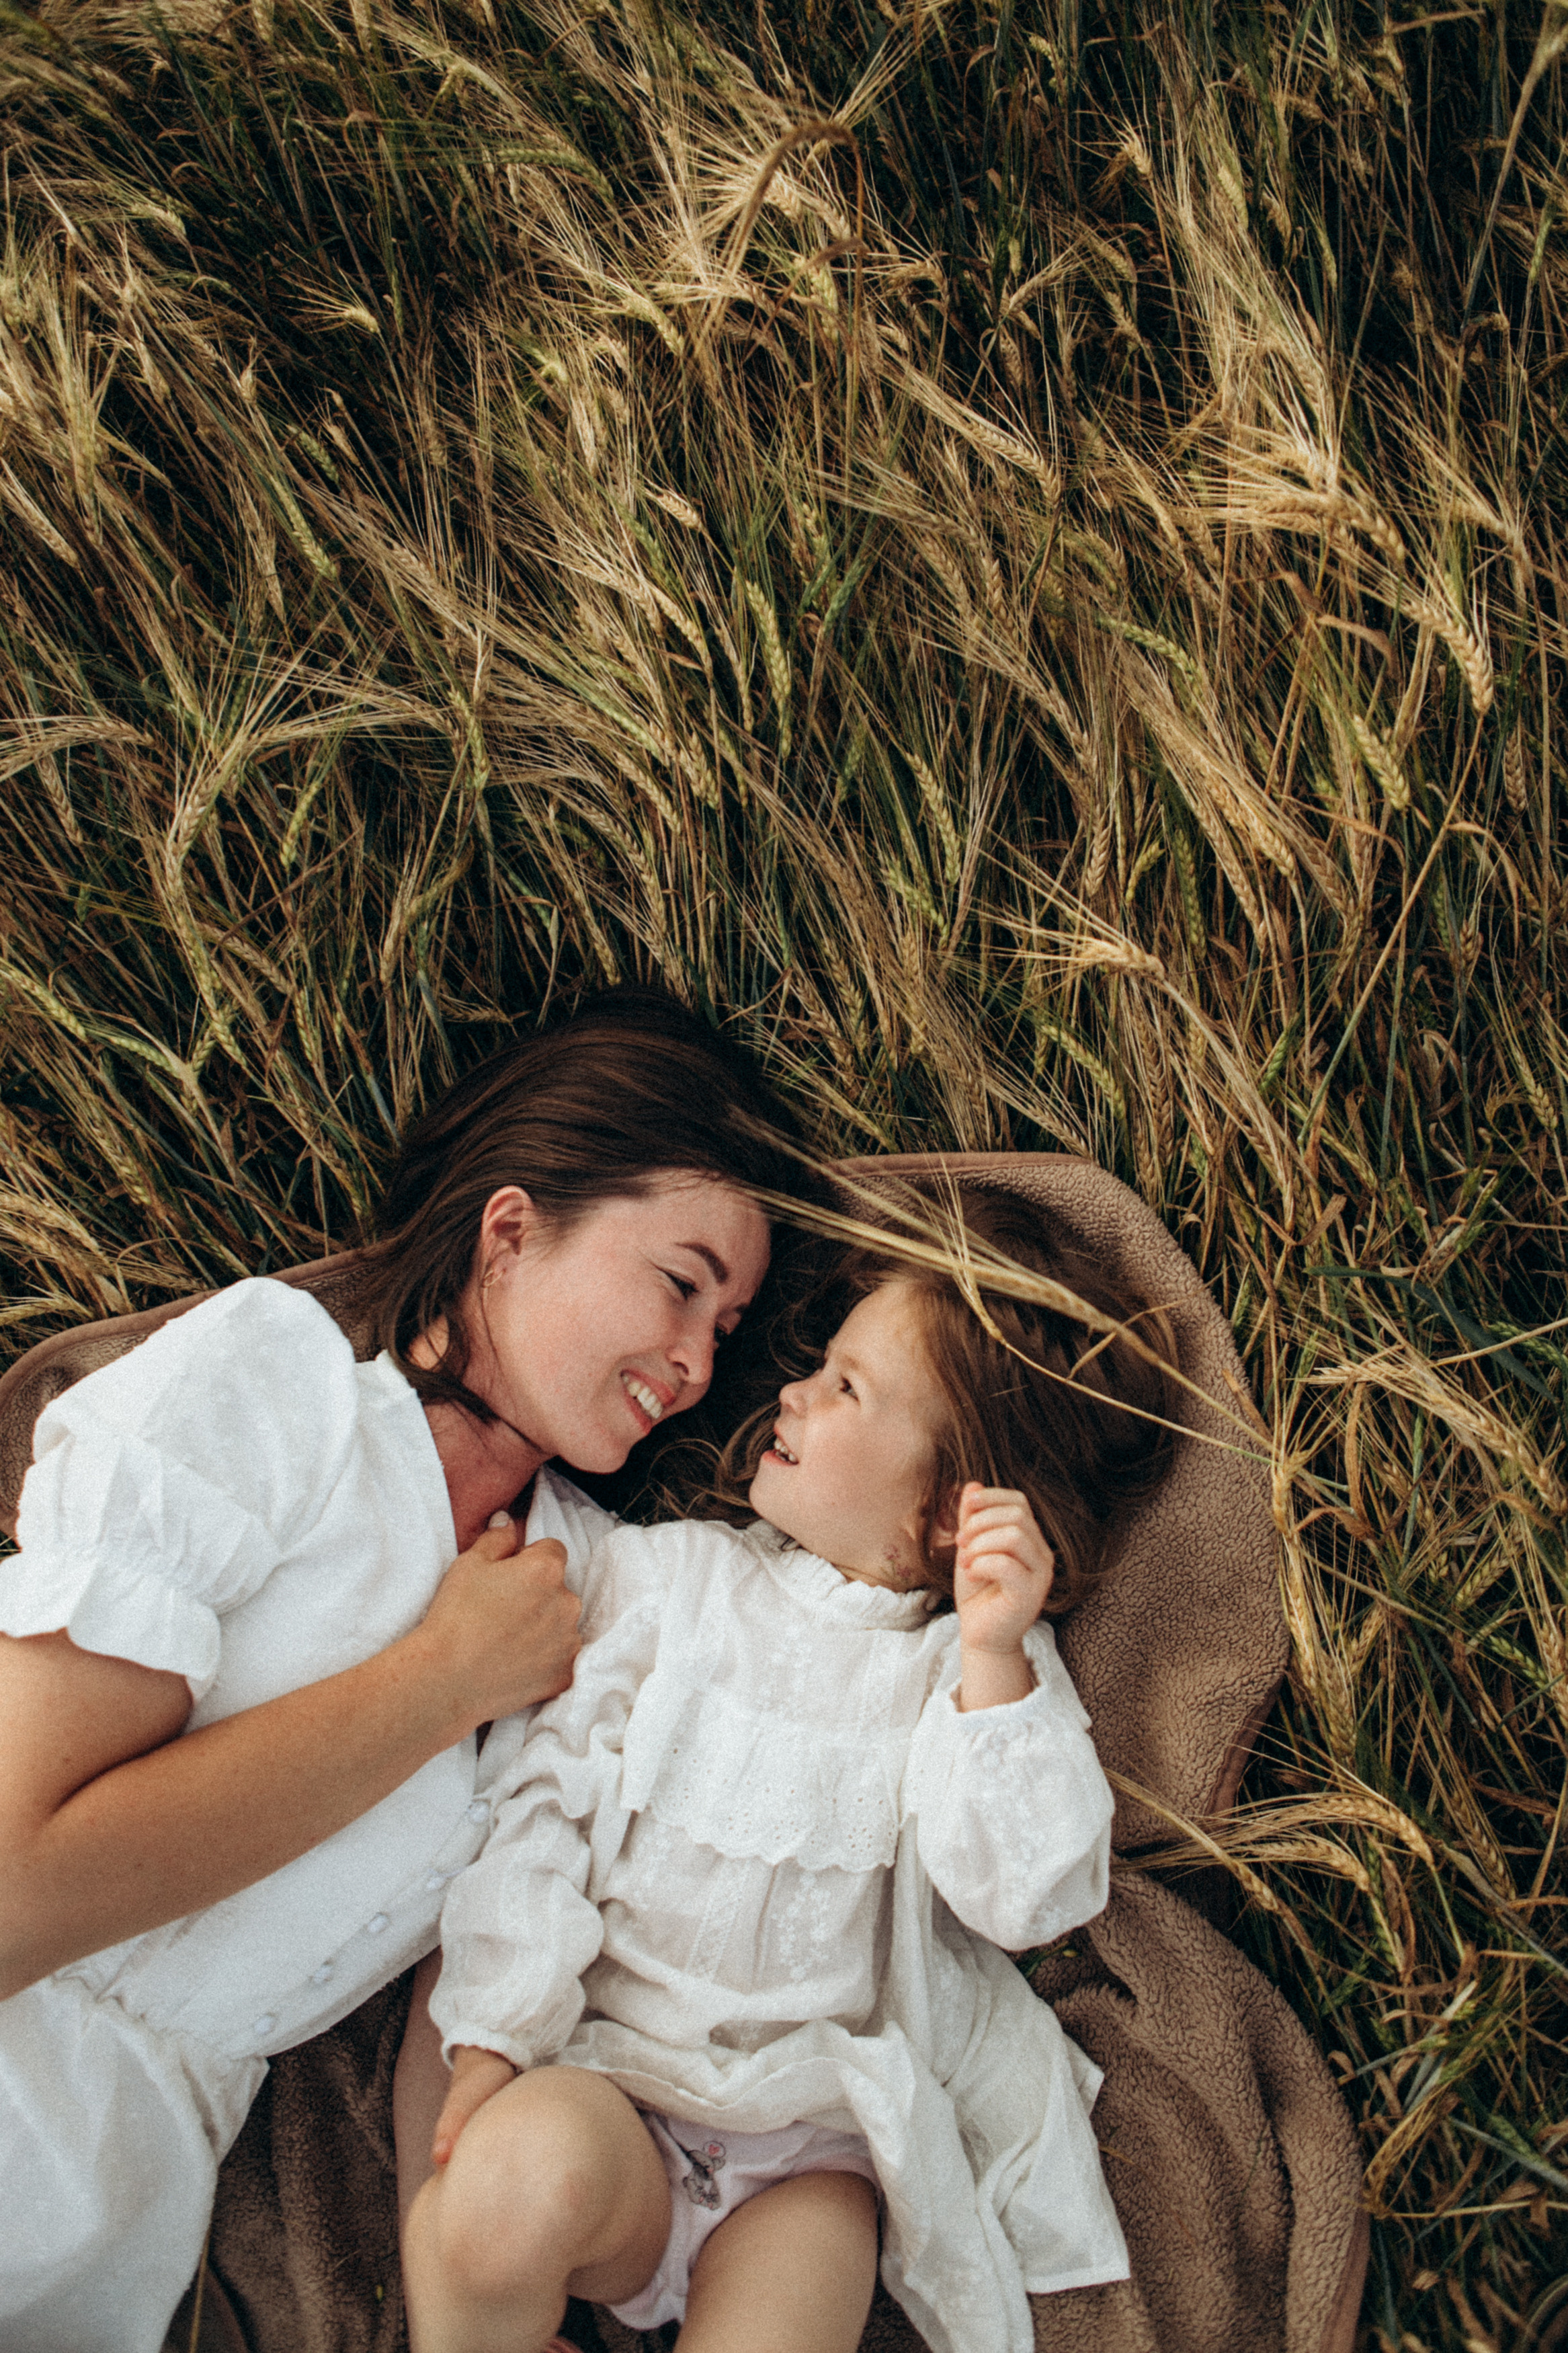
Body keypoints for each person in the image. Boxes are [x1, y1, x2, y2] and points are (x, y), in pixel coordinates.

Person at [0, 988, 800, 2353]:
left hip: (116, 2222)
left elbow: (487, 1969)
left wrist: (469, 2299)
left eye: (726, 1326)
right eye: (679, 1282)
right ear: (510, 1227)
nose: (694, 1357)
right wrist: (434, 1684)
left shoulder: (588, 1590)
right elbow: (16, 1892)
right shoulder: (279, 1389)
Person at [401, 1187, 1182, 2353]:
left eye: (848, 1387)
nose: (793, 1390)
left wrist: (991, 1656)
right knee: (500, 2193)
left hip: (807, 2152)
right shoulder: (665, 1588)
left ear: (949, 1512)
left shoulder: (965, 1681)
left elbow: (1027, 1898)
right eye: (818, 1363)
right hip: (613, 2081)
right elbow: (541, 1815)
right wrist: (495, 2039)